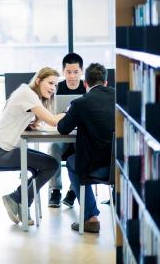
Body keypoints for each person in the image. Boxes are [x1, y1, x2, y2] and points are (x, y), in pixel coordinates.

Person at [0, 67, 65, 225]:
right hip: (0, 153)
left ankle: (17, 200)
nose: (53, 88)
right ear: (38, 81)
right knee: (51, 165)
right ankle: (18, 200)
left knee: (49, 164)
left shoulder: (26, 92)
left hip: (1, 150)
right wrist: (70, 111)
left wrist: (27, 125)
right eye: (50, 83)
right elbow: (52, 121)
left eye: (56, 85)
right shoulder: (28, 94)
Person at [57, 63, 115, 233]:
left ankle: (91, 218)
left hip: (96, 169)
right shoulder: (122, 97)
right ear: (106, 82)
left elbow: (62, 129)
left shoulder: (81, 103)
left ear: (85, 84)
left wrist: (68, 113)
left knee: (72, 161)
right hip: (122, 168)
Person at [48, 52, 86, 208]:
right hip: (62, 134)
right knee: (53, 147)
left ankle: (73, 191)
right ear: (63, 71)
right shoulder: (56, 88)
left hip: (81, 136)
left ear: (81, 71)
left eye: (76, 72)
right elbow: (50, 114)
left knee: (83, 150)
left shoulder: (86, 88)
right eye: (68, 72)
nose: (72, 76)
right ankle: (55, 191)